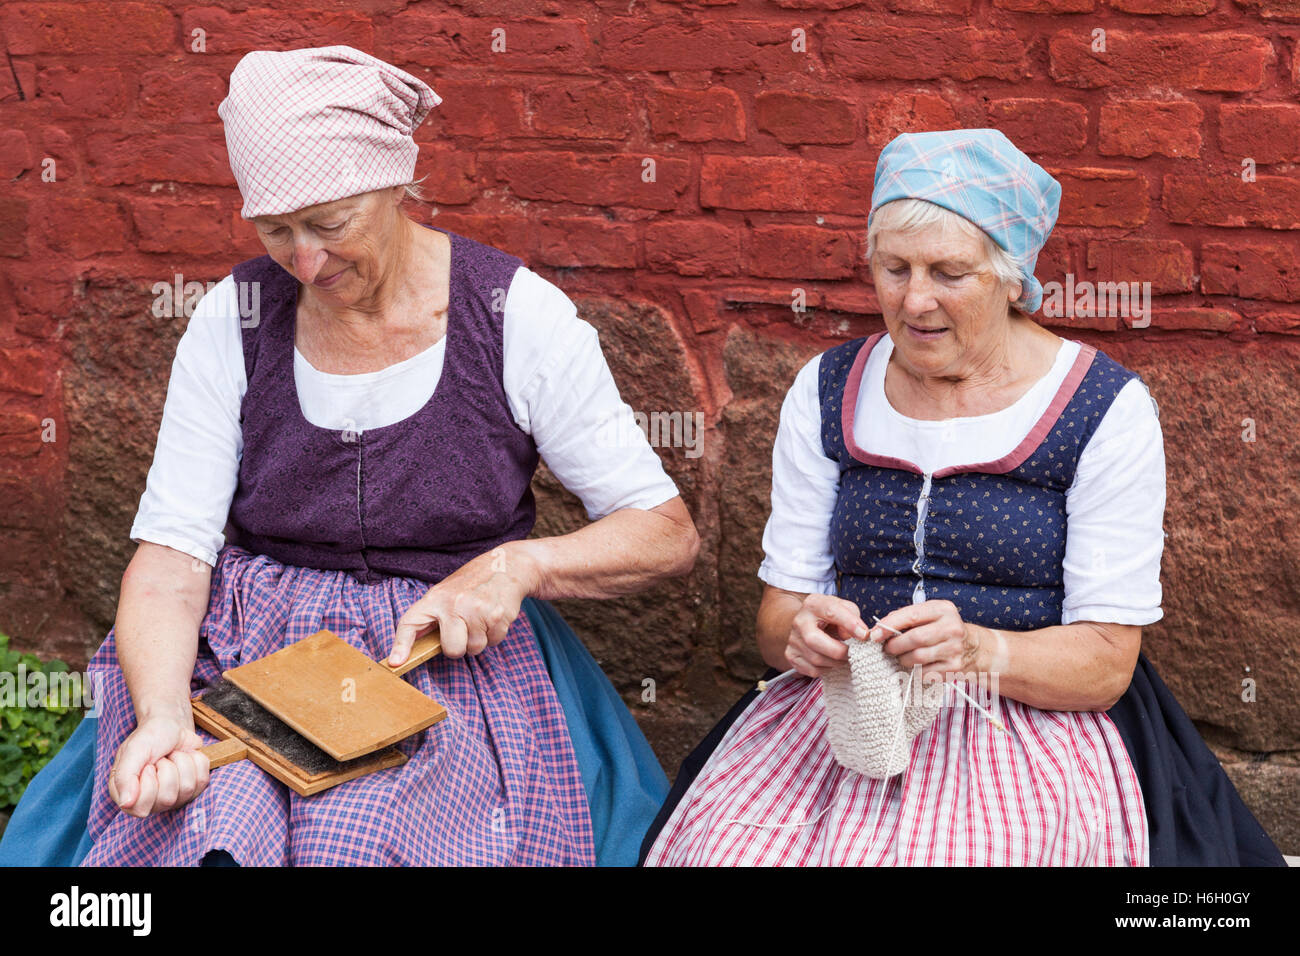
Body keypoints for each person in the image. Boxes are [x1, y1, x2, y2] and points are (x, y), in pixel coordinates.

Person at [0, 45, 699, 867]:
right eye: (275, 229)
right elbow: (170, 560)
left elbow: (664, 530)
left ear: (400, 184)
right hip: (250, 657)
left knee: (365, 836)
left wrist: (518, 568)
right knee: (209, 828)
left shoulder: (514, 316)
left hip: (439, 661)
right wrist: (162, 713)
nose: (304, 262)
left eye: (329, 224)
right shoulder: (239, 314)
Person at [641, 129, 1284, 867]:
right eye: (893, 268)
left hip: (1028, 723)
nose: (915, 300)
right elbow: (776, 617)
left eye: (949, 272)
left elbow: (1107, 663)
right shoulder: (826, 389)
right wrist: (802, 633)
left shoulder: (1101, 405)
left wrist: (977, 649)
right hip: (850, 718)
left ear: (1013, 279)